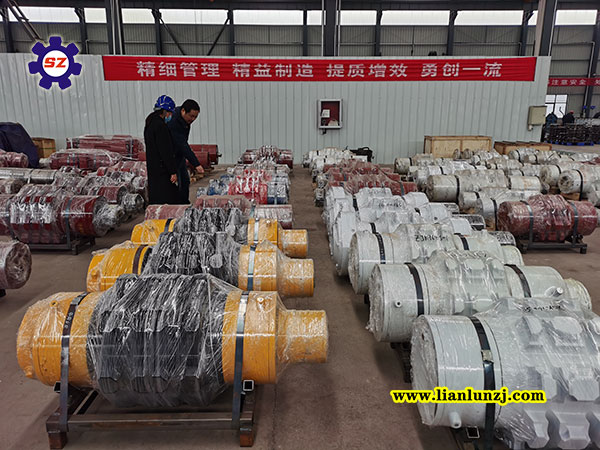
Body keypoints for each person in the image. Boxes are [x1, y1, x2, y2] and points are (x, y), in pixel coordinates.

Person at [144, 95, 180, 205]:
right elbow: (165, 151)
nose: (171, 116)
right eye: (170, 113)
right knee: (167, 200)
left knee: (156, 200)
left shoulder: (149, 123)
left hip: (153, 169)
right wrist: (172, 171)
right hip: (162, 171)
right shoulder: (161, 126)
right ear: (165, 112)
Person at [168, 99, 204, 203]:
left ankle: (184, 203)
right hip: (171, 156)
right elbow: (181, 144)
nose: (193, 119)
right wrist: (196, 164)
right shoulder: (174, 122)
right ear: (183, 111)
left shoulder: (184, 120)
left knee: (185, 181)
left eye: (195, 117)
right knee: (176, 183)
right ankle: (177, 206)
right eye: (191, 116)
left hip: (179, 155)